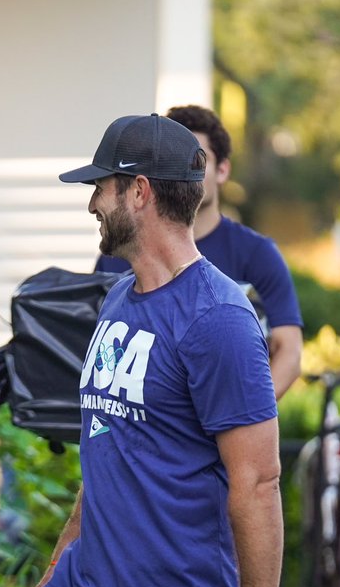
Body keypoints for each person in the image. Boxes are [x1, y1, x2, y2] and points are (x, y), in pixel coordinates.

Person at [0, 114, 326, 587]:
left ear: (138, 193)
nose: (91, 203)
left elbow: (256, 479)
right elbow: (106, 445)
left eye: (101, 188)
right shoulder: (118, 297)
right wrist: (58, 564)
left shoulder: (220, 319)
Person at [95, 104, 304, 400]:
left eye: (195, 159)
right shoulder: (119, 252)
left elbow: (290, 353)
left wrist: (239, 416)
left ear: (222, 170)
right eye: (172, 160)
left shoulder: (256, 254)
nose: (183, 169)